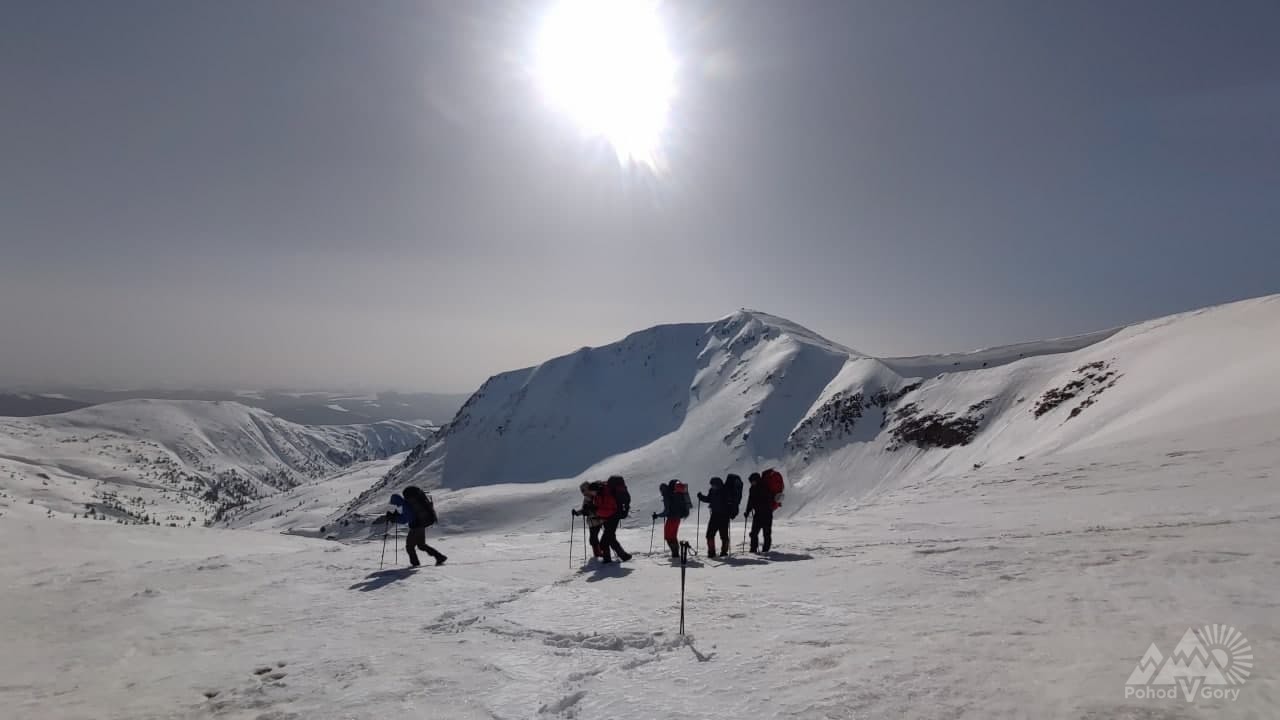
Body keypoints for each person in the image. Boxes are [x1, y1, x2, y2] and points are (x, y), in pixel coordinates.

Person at [385, 486, 447, 567]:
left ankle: (415, 564)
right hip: (421, 525)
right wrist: (396, 516)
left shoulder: (405, 505)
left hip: (416, 527)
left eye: (394, 503)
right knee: (421, 545)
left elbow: (405, 519)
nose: (395, 505)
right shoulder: (407, 504)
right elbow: (408, 516)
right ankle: (440, 557)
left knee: (409, 547)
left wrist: (394, 518)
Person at [593, 476, 632, 563]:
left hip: (611, 515)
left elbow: (607, 506)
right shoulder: (606, 491)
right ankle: (622, 556)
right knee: (610, 537)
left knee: (606, 539)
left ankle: (611, 558)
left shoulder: (605, 491)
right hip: (612, 515)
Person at [653, 479, 690, 559]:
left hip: (671, 519)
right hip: (677, 519)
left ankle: (675, 554)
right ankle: (676, 554)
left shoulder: (668, 495)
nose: (661, 493)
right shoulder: (677, 494)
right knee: (673, 536)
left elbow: (666, 511)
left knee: (668, 537)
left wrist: (657, 515)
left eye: (661, 490)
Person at [697, 476, 731, 557]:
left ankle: (723, 552)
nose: (712, 486)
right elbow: (709, 499)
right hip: (716, 515)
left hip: (723, 516)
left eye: (713, 485)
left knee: (723, 535)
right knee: (710, 535)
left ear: (718, 484)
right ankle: (712, 552)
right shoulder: (713, 491)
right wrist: (701, 497)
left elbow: (728, 503)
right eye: (712, 485)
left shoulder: (724, 491)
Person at [572, 481, 604, 558]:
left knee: (593, 538)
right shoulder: (587, 497)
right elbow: (585, 509)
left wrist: (587, 511)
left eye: (583, 490)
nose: (582, 492)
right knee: (593, 538)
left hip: (596, 521)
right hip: (592, 521)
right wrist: (577, 513)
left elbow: (597, 509)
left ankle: (598, 553)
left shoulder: (594, 496)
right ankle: (599, 552)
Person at [744, 472, 774, 553]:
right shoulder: (752, 488)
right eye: (751, 482)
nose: (751, 483)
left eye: (752, 481)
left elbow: (765, 500)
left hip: (766, 513)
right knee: (754, 533)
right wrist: (747, 511)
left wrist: (749, 510)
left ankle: (765, 550)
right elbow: (750, 501)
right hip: (759, 514)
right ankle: (753, 549)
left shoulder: (764, 487)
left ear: (756, 480)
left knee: (766, 533)